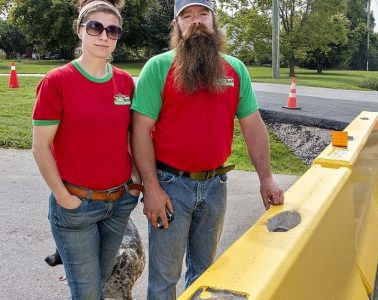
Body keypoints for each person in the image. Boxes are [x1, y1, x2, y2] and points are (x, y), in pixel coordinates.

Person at [130, 0, 285, 298]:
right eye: (187, 16)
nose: (196, 21)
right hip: (170, 186)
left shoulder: (235, 69)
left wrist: (266, 177)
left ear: (214, 21)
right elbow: (140, 131)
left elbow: (253, 125)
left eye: (203, 14)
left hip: (216, 185)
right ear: (177, 25)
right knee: (165, 277)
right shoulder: (159, 67)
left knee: (206, 272)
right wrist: (151, 186)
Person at [31, 0, 143, 298]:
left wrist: (135, 185)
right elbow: (40, 147)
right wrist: (63, 197)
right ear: (79, 30)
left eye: (112, 29)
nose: (103, 35)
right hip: (76, 207)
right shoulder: (56, 82)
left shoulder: (124, 82)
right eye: (95, 27)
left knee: (103, 282)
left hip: (119, 203)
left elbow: (132, 138)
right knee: (88, 292)